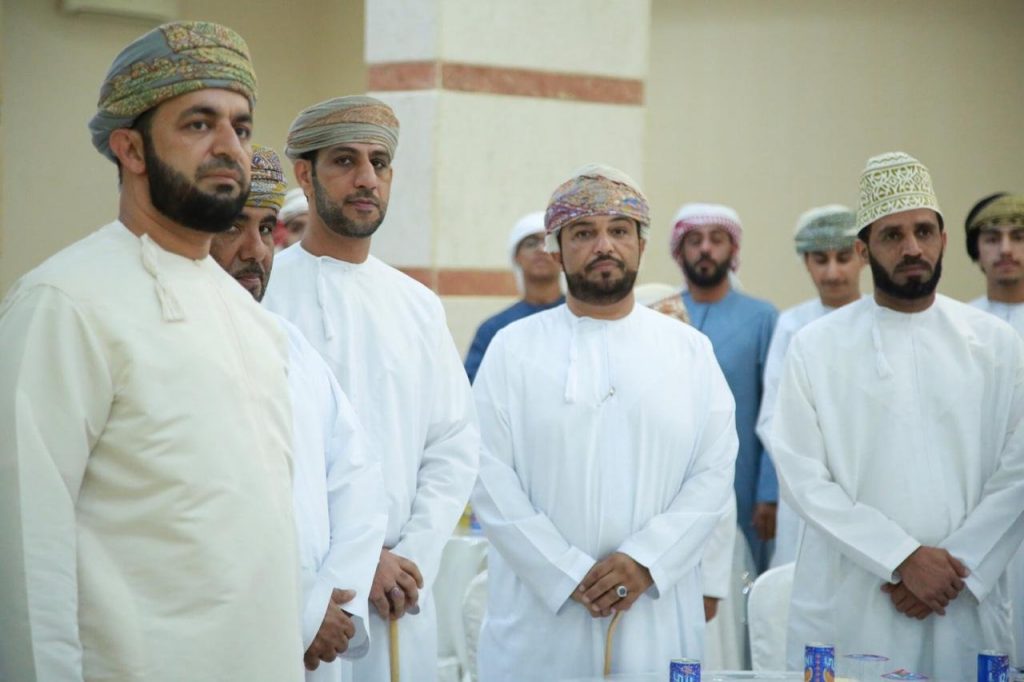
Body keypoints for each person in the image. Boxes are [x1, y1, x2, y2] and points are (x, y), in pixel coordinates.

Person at [0, 22, 304, 682]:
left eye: (242, 128)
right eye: (199, 124)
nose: (229, 148)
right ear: (131, 149)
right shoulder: (64, 302)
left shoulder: (253, 322)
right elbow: (24, 550)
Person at [471, 164, 738, 681]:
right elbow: (486, 473)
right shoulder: (512, 348)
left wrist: (646, 561)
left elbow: (714, 471)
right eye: (583, 233)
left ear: (641, 245)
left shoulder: (689, 351)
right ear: (556, 250)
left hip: (654, 612)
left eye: (619, 231)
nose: (604, 246)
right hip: (540, 621)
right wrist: (564, 572)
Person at [771, 152, 1024, 677]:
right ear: (863, 251)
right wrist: (901, 558)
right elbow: (802, 477)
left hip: (962, 596)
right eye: (892, 235)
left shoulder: (996, 345)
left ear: (944, 240)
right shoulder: (815, 347)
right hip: (855, 597)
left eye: (924, 231)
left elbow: (1018, 471)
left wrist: (956, 567)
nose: (912, 248)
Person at [263, 95, 479, 682]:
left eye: (379, 163)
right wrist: (357, 564)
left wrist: (411, 558)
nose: (366, 178)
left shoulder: (418, 306)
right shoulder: (261, 296)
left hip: (400, 598)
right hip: (302, 598)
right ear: (304, 174)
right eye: (345, 161)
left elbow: (453, 445)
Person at [209, 145, 388, 680]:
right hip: (226, 640)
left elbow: (356, 479)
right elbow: (200, 518)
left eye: (266, 229)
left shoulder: (290, 346)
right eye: (233, 227)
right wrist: (305, 612)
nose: (255, 250)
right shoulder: (166, 349)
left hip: (322, 636)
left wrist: (336, 600)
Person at [755, 204, 865, 568]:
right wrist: (817, 477)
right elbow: (772, 419)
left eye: (843, 258)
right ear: (806, 263)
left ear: (862, 257)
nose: (833, 272)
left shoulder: (880, 320)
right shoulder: (791, 326)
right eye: (821, 260)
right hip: (806, 494)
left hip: (870, 488)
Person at [671, 203, 779, 573]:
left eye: (716, 240)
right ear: (680, 251)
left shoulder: (762, 318)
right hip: (674, 480)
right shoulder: (661, 316)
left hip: (743, 482)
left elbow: (776, 410)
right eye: (695, 241)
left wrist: (769, 492)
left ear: (732, 250)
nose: (705, 249)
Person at [964, 192, 1024, 668]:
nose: (1006, 249)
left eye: (1018, 237)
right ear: (974, 250)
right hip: (978, 507)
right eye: (992, 238)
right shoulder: (959, 326)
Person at [464, 211, 564, 382]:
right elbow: (473, 387)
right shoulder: (493, 329)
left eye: (548, 243)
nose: (541, 249)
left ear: (561, 255)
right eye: (531, 243)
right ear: (516, 257)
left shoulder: (583, 317)